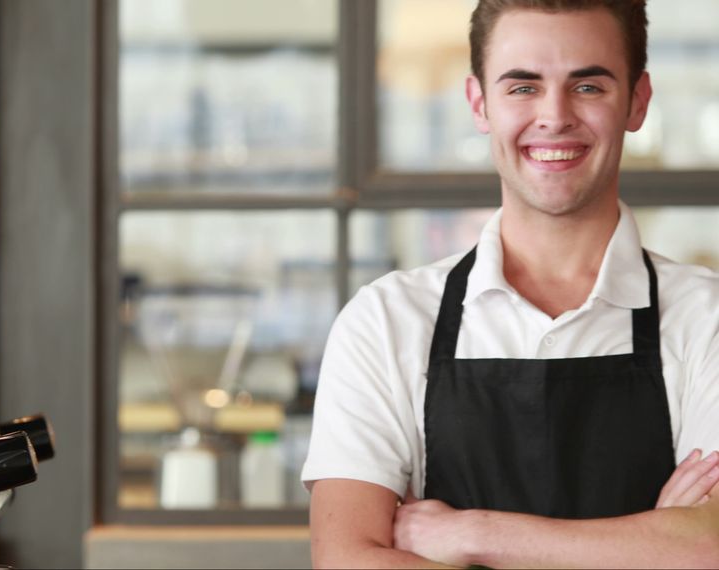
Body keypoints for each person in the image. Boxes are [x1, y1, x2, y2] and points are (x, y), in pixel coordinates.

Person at [302, 0, 719, 567]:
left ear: (637, 101)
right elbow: (348, 560)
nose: (554, 116)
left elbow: (708, 545)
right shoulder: (385, 321)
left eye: (588, 87)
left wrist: (474, 535)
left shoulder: (707, 317)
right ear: (480, 103)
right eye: (522, 87)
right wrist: (651, 543)